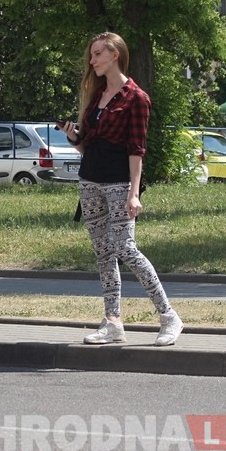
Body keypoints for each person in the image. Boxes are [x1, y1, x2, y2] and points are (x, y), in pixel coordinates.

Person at [59, 32, 183, 347]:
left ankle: (169, 316)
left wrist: (134, 193)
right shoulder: (97, 94)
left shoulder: (136, 97)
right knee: (103, 253)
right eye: (91, 54)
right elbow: (88, 146)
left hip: (119, 183)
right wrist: (74, 139)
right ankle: (112, 321)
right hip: (89, 181)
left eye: (98, 53)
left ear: (115, 54)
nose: (92, 60)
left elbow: (136, 149)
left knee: (125, 248)